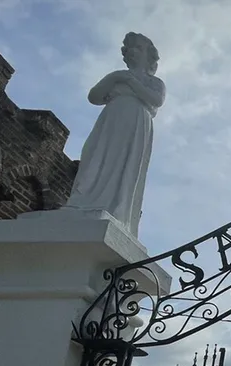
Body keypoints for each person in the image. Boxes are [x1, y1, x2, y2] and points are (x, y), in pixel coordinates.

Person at [61, 32, 166, 238]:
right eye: (127, 49)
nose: (130, 52)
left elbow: (155, 100)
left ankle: (115, 208)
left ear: (148, 55)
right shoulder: (117, 76)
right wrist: (116, 78)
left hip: (136, 121)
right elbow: (94, 96)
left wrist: (131, 82)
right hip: (111, 118)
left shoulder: (155, 82)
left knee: (122, 164)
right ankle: (83, 201)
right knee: (97, 156)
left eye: (136, 47)